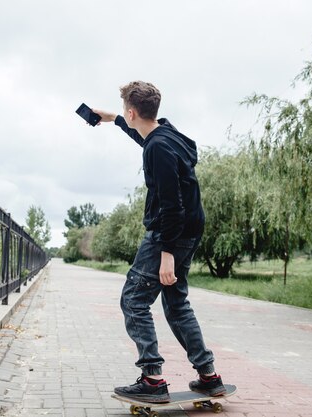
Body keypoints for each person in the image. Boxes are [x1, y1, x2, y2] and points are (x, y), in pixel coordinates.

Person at [92, 81, 226, 403]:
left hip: (170, 234)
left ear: (133, 111)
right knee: (176, 304)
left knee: (134, 301)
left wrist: (166, 254)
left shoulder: (157, 148)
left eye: (126, 111)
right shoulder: (169, 135)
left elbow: (171, 204)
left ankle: (152, 379)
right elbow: (143, 133)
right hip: (191, 230)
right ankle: (208, 376)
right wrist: (111, 118)